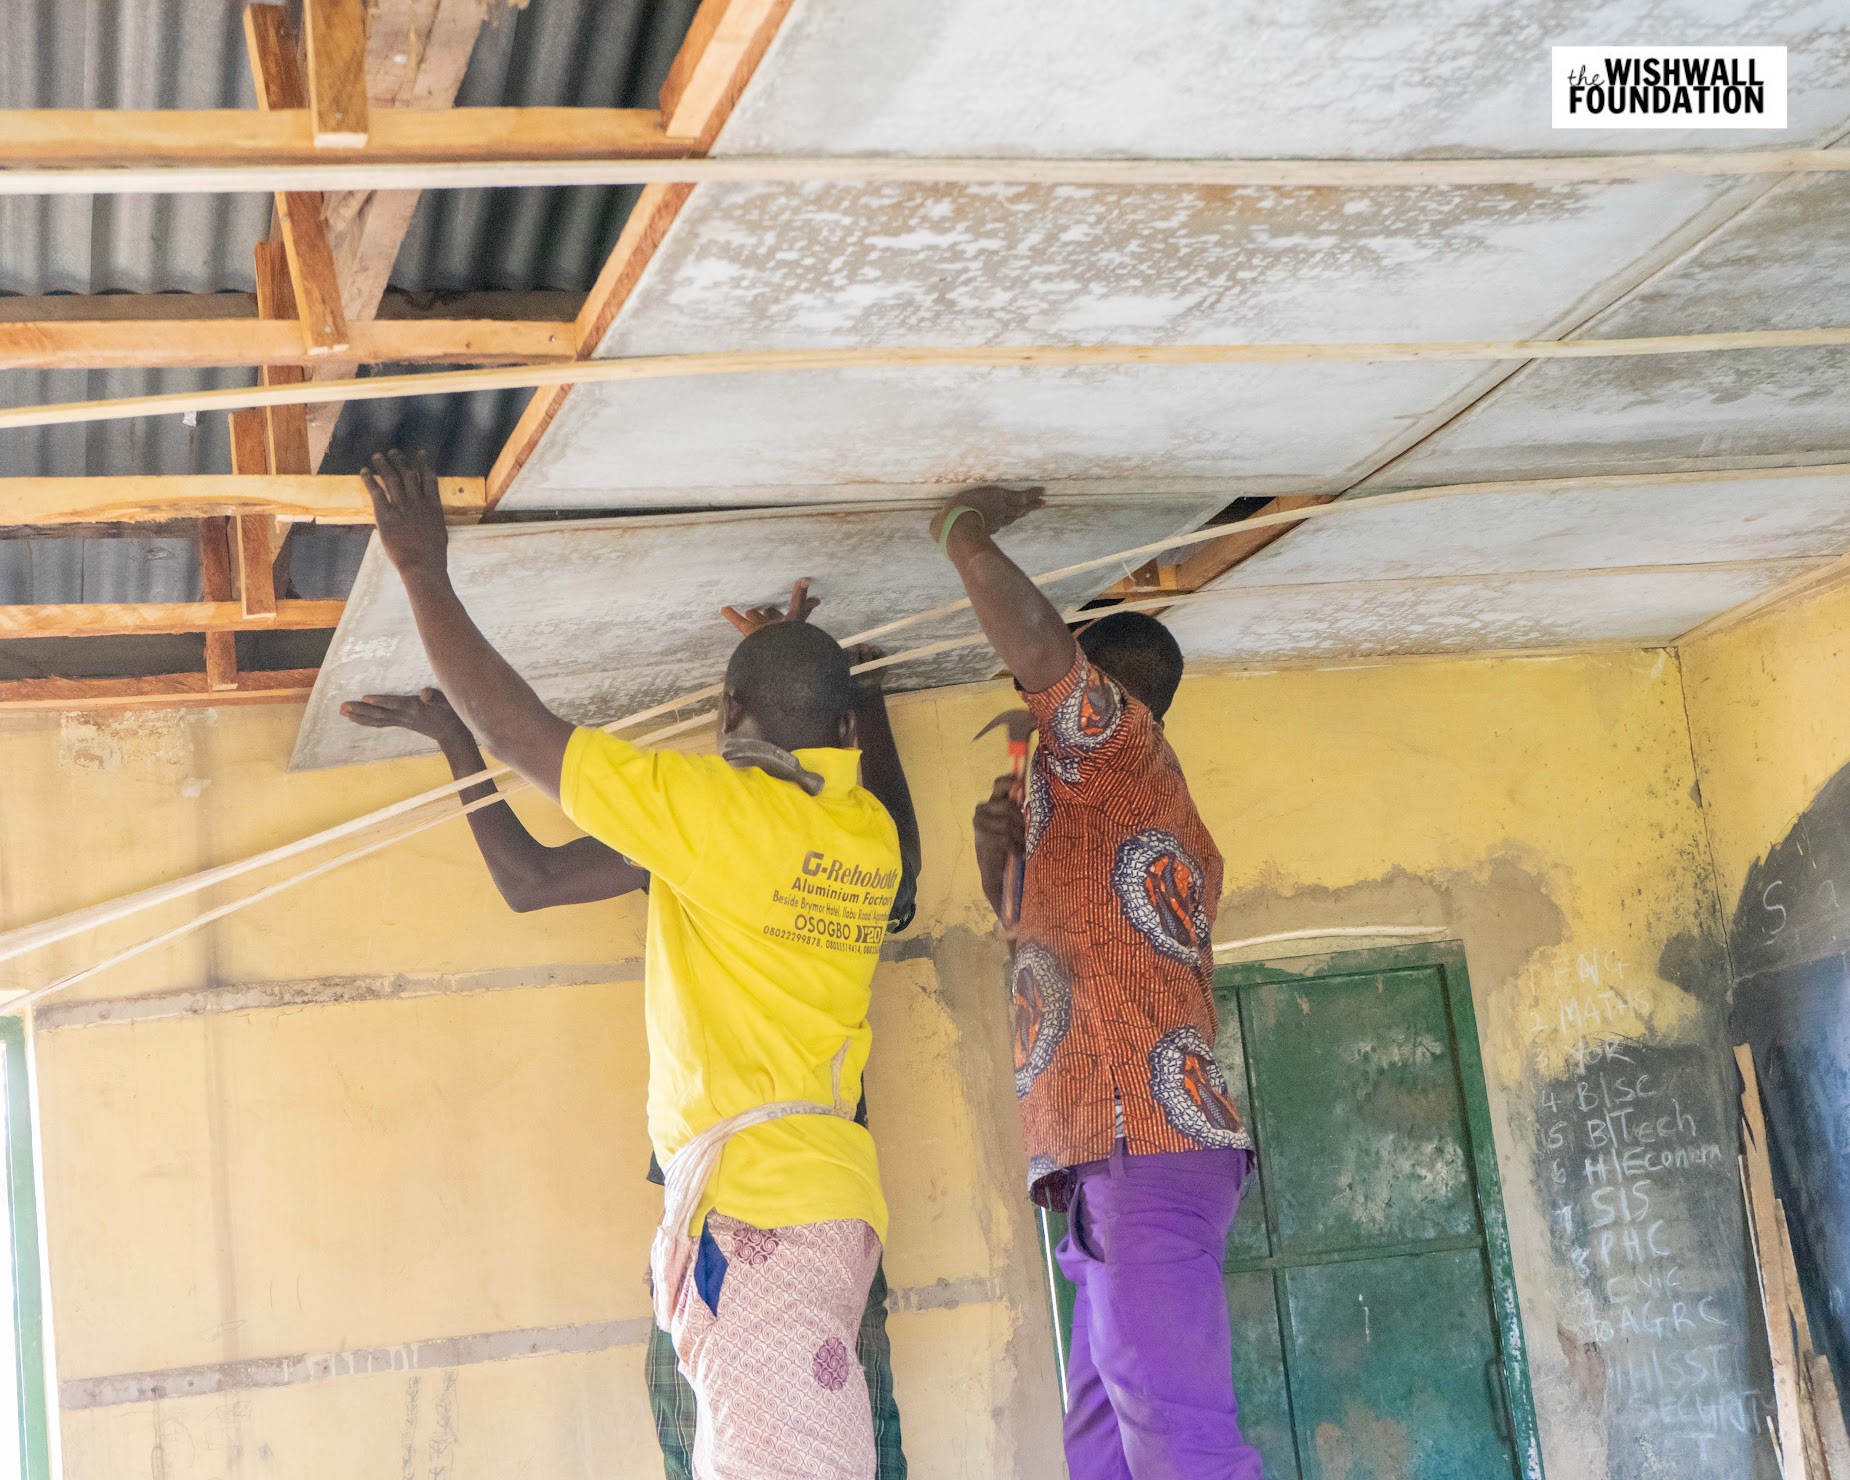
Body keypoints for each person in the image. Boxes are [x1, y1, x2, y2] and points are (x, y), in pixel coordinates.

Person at [352, 450, 915, 1480]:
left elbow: (522, 739)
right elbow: (789, 768)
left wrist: (420, 568)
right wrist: (780, 672)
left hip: (769, 1212)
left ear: (725, 719)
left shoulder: (702, 820)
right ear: (843, 731)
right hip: (813, 1199)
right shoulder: (867, 838)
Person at [938, 486, 1263, 1480]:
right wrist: (1002, 866)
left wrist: (962, 534)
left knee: (1180, 1447)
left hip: (1142, 1146)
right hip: (1111, 1162)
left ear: (1105, 694)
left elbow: (1042, 650)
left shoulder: (1118, 747)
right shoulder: (1105, 806)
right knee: (1105, 1452)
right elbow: (1050, 942)